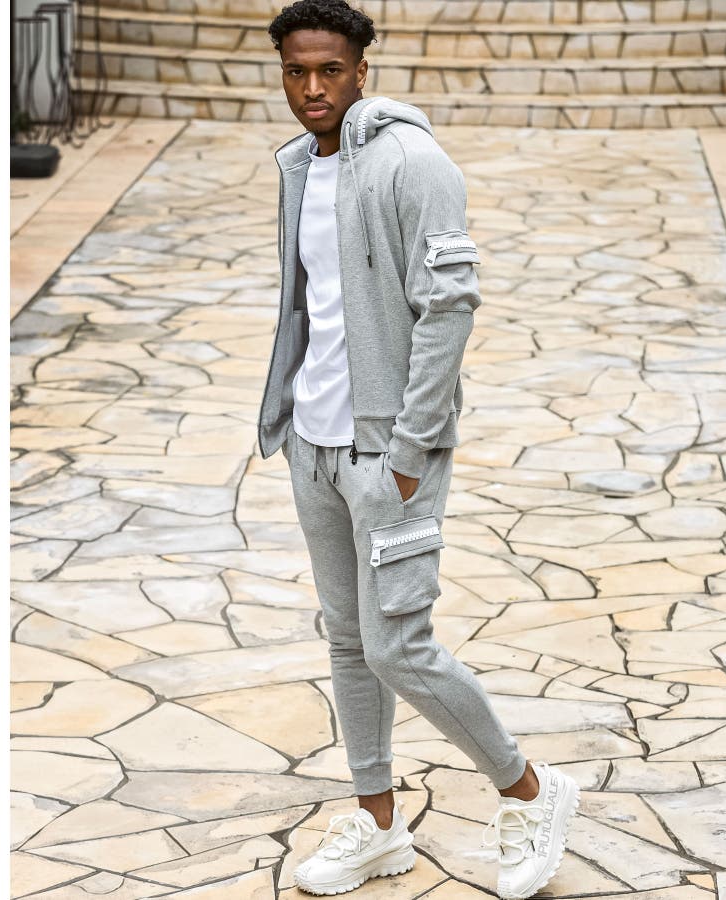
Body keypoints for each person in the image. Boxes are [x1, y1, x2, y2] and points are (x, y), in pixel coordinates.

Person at [257, 2, 580, 896]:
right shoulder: (297, 166)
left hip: (387, 451)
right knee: (349, 642)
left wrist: (410, 449)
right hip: (315, 444)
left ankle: (530, 789)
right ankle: (376, 823)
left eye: (330, 69)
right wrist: (290, 419)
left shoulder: (413, 162)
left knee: (399, 646)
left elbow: (450, 306)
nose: (312, 87)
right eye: (296, 71)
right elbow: (312, 305)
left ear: (362, 69)